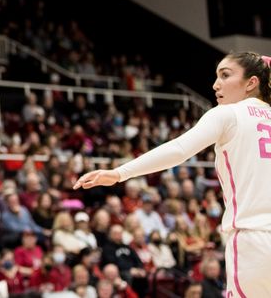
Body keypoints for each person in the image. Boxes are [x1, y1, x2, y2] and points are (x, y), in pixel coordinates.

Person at [75, 52, 271, 297]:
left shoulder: (227, 114)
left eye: (225, 75)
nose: (215, 84)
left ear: (251, 83)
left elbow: (178, 150)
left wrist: (119, 173)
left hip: (253, 240)